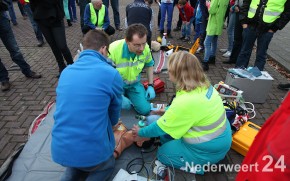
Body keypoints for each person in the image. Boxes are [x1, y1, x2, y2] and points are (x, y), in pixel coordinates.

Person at [132, 51, 232, 175]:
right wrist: (166, 111)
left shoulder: (187, 101)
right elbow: (191, 111)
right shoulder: (203, 85)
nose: (167, 72)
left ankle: (200, 167)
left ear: (179, 74)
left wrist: (140, 132)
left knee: (163, 154)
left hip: (207, 149)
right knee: (159, 127)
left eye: (170, 70)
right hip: (219, 138)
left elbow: (160, 126)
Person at [51, 30, 123, 181]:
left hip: (60, 149)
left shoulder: (66, 71)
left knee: (75, 168)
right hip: (92, 154)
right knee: (107, 164)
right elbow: (113, 115)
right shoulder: (111, 73)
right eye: (107, 52)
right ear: (103, 49)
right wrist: (111, 128)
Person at [108, 24, 155, 115]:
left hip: (134, 84)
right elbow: (105, 77)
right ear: (127, 41)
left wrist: (150, 85)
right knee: (111, 111)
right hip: (116, 86)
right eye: (137, 45)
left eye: (144, 43)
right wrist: (116, 95)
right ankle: (120, 96)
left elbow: (150, 65)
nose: (141, 48)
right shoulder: (113, 49)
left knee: (145, 110)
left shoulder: (146, 49)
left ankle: (127, 95)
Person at [235, 0, 290, 71]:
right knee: (244, 52)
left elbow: (288, 12)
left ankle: (256, 78)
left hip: (267, 28)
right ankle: (238, 76)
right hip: (250, 25)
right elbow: (246, 3)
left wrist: (275, 27)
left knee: (261, 55)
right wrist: (244, 22)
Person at [0, 3, 41, 92]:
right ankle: (3, 79)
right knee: (14, 48)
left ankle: (27, 71)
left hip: (1, 17)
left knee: (14, 48)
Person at [30, 0, 74, 76]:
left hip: (56, 16)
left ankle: (72, 65)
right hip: (41, 18)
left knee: (62, 45)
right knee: (54, 46)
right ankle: (61, 66)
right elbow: (32, 4)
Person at [202, 0, 228, 71]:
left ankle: (205, 62)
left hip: (213, 23)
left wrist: (208, 5)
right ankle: (212, 57)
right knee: (214, 41)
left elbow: (211, 11)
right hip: (219, 22)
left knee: (206, 43)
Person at [223, 0, 244, 64]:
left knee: (231, 30)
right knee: (232, 31)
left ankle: (230, 50)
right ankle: (230, 49)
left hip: (237, 9)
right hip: (234, 7)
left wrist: (234, 7)